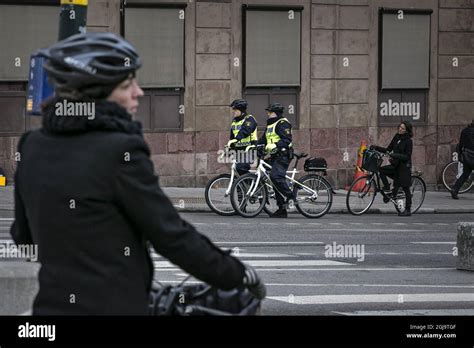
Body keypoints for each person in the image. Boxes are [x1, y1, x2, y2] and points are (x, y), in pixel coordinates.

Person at [10, 32, 265, 315]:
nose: (138, 92)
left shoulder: (31, 146)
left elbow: (24, 238)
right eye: (126, 84)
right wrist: (237, 274)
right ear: (97, 93)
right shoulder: (120, 149)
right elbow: (170, 235)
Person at [258, 103, 296, 218]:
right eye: (268, 112)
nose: (268, 114)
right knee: (272, 180)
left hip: (283, 155)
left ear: (276, 113)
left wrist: (275, 145)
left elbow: (287, 140)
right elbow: (263, 139)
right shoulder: (270, 125)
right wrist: (254, 146)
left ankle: (291, 196)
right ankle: (282, 209)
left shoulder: (282, 123)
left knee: (276, 176)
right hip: (274, 155)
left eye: (270, 112)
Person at [371, 121, 414, 216]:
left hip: (404, 167)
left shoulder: (408, 141)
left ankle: (408, 210)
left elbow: (407, 156)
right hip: (395, 166)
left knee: (406, 188)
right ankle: (387, 189)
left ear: (407, 131)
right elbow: (388, 150)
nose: (400, 129)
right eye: (400, 127)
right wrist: (376, 148)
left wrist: (395, 155)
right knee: (381, 170)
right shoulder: (396, 137)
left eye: (403, 128)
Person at [227, 99, 258, 175]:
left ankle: (253, 183)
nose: (233, 111)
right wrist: (230, 147)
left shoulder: (249, 119)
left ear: (241, 110)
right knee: (237, 171)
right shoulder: (234, 122)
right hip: (239, 150)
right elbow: (232, 137)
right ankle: (241, 186)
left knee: (241, 168)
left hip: (249, 149)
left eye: (235, 109)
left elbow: (245, 131)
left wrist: (236, 139)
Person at [451, 120, 474, 199]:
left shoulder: (465, 131)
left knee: (465, 174)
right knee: (465, 174)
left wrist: (460, 155)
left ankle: (455, 189)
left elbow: (460, 144)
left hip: (467, 156)